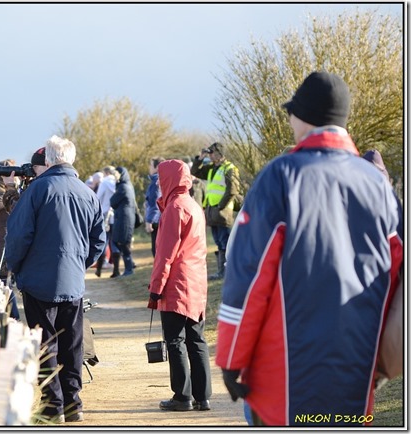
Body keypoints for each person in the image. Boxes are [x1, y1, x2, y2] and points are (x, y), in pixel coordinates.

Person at [215, 71, 403, 426]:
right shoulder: (379, 187)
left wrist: (231, 359)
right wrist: (382, 363)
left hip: (284, 381)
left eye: (291, 113)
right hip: (356, 370)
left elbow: (250, 278)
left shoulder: (281, 176)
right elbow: (395, 283)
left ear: (304, 117)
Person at [5, 135, 106, 424]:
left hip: (38, 280)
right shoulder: (88, 193)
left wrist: (16, 267)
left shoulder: (38, 191)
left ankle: (53, 405)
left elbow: (19, 235)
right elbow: (98, 240)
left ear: (47, 160)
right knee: (72, 344)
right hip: (72, 280)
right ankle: (74, 403)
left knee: (46, 342)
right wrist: (80, 263)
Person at [147, 159, 212, 412]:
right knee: (196, 339)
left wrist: (156, 287)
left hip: (177, 282)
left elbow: (165, 254)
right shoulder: (194, 206)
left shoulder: (174, 208)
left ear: (168, 180)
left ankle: (182, 396)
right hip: (196, 281)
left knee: (175, 340)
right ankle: (202, 396)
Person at [191, 142, 241, 280]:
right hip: (212, 212)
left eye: (212, 153)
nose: (210, 155)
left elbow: (233, 190)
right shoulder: (213, 168)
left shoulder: (229, 169)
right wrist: (200, 158)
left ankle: (228, 273)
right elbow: (195, 172)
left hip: (223, 212)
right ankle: (221, 272)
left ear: (220, 153)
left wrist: (221, 206)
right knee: (219, 243)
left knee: (226, 243)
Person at [109, 166, 136, 277]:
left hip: (124, 219)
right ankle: (129, 266)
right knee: (121, 242)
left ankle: (129, 268)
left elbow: (113, 201)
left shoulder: (123, 187)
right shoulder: (127, 186)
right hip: (125, 218)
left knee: (123, 243)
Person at [94, 166, 117, 277]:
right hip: (115, 215)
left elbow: (98, 198)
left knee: (104, 241)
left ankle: (99, 267)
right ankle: (115, 268)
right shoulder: (118, 182)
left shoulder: (104, 183)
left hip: (105, 215)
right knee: (114, 242)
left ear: (106, 172)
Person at [144, 157, 164, 257]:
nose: (149, 167)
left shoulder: (156, 181)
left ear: (157, 167)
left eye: (151, 165)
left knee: (156, 251)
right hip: (161, 219)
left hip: (156, 221)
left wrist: (149, 221)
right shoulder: (163, 179)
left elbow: (154, 202)